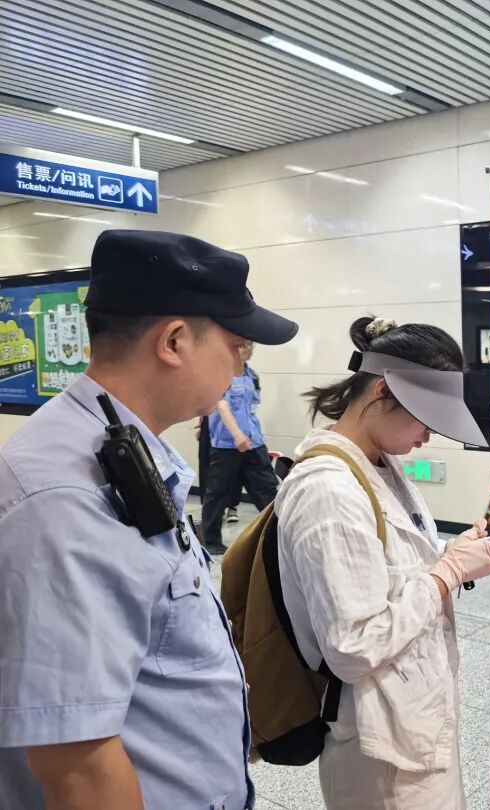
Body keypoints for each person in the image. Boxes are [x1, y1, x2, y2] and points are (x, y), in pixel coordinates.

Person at [0, 230, 298, 809]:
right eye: (238, 346)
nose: (240, 366)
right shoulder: (64, 499)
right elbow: (77, 765)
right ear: (175, 341)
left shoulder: (121, 451)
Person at [274, 316, 490, 809]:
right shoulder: (328, 491)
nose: (428, 436)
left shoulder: (378, 465)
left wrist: (454, 556)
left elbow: (395, 576)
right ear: (383, 391)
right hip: (379, 746)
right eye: (425, 418)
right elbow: (353, 645)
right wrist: (449, 571)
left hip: (409, 721)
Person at [201, 339, 278, 553]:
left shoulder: (251, 375)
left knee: (267, 489)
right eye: (244, 345)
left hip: (254, 442)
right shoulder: (221, 375)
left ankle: (279, 536)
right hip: (227, 445)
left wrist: (250, 438)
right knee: (218, 492)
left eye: (251, 345)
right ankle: (211, 541)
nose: (248, 349)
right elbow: (222, 406)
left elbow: (250, 408)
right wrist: (237, 436)